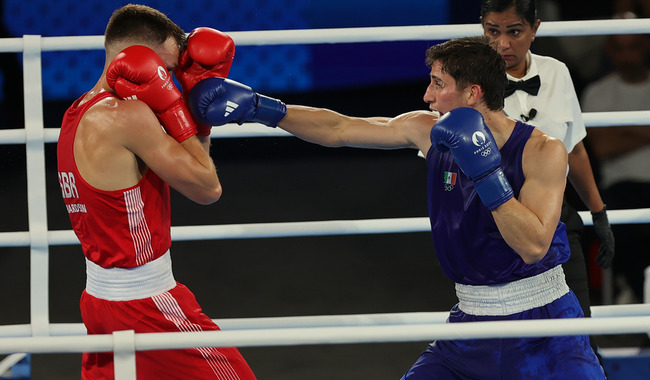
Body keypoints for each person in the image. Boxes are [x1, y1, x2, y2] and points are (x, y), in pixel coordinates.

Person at [188, 35, 606, 379]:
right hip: (472, 324)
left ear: (472, 93)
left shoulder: (542, 151)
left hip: (545, 326)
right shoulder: (429, 130)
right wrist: (263, 109)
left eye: (438, 84)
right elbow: (339, 128)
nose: (427, 94)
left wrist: (485, 172)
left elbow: (533, 246)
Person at [56, 4, 255, 379]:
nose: (168, 83)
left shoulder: (75, 114)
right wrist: (185, 113)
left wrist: (193, 111)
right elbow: (207, 187)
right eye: (165, 72)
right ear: (132, 60)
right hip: (147, 305)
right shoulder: (127, 117)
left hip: (99, 302)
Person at [480, 0, 615, 323]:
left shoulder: (556, 71)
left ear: (535, 28)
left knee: (578, 333)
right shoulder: (466, 81)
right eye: (492, 32)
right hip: (496, 223)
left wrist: (599, 213)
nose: (502, 43)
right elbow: (441, 158)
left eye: (514, 31)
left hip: (557, 220)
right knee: (510, 344)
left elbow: (575, 148)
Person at [581, 31, 650, 304]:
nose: (627, 56)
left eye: (633, 46)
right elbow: (602, 147)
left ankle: (637, 293)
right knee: (618, 227)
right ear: (609, 49)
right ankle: (639, 293)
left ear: (645, 46)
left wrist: (624, 132)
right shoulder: (596, 92)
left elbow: (612, 140)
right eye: (619, 48)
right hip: (621, 186)